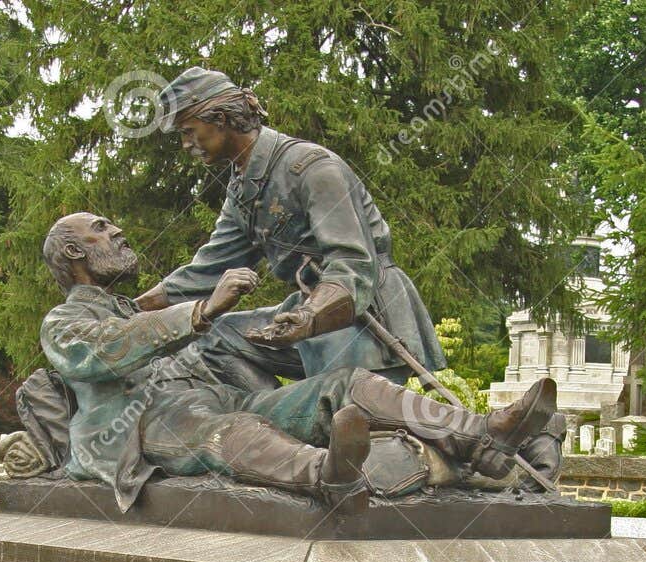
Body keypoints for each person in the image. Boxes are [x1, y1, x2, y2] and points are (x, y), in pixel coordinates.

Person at [36, 212, 555, 514]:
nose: (119, 232)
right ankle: (326, 475)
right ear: (72, 253)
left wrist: (304, 311)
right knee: (231, 430)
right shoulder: (63, 323)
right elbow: (103, 350)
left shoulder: (134, 311)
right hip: (137, 428)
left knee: (343, 385)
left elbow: (211, 340)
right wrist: (199, 310)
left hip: (213, 399)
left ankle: (480, 433)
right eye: (102, 230)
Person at [132, 67, 445, 388]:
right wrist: (131, 311)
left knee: (348, 421)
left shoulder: (312, 168)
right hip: (306, 316)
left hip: (362, 318)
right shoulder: (242, 190)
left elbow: (352, 265)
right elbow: (207, 271)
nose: (186, 144)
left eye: (188, 130)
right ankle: (276, 422)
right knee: (217, 341)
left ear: (221, 120)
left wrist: (310, 317)